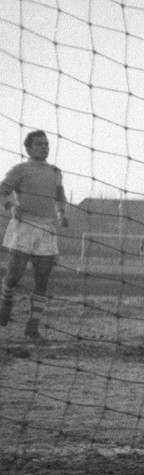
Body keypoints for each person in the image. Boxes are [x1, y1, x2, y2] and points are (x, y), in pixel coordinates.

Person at [0, 130, 68, 340]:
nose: (44, 147)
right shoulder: (20, 169)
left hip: (46, 229)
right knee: (14, 275)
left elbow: (59, 194)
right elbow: (2, 190)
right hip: (24, 227)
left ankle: (33, 325)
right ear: (28, 148)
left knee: (42, 278)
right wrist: (10, 206)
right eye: (39, 144)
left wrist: (61, 213)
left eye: (46, 144)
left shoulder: (55, 171)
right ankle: (6, 302)